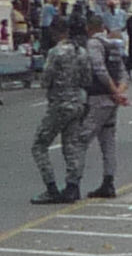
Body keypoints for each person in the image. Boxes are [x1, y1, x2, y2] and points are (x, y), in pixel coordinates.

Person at [29, 14, 94, 204]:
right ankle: (73, 187)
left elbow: (45, 80)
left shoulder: (55, 53)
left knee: (39, 146)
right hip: (78, 102)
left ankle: (51, 188)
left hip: (59, 104)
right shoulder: (81, 51)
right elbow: (87, 79)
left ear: (55, 32)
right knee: (71, 146)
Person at [79, 10, 132, 199]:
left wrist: (112, 91)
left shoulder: (93, 44)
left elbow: (99, 70)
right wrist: (119, 93)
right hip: (112, 101)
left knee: (81, 140)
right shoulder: (114, 45)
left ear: (88, 28)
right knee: (108, 143)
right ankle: (108, 182)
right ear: (103, 27)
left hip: (99, 99)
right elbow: (124, 73)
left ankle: (73, 183)